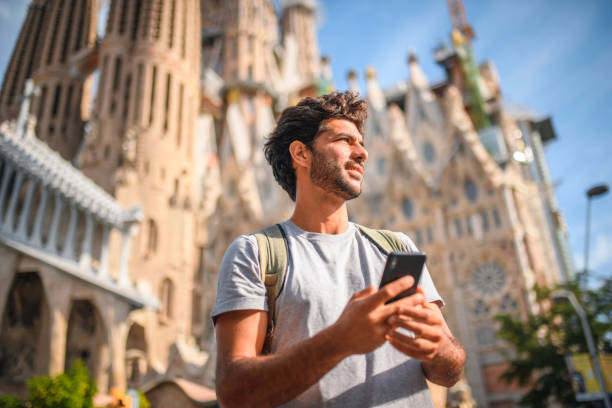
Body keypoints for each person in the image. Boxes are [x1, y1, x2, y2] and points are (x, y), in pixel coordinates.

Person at [212, 91, 466, 407]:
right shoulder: (256, 254)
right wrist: (341, 340)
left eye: (361, 142)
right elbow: (234, 391)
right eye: (345, 141)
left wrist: (439, 347)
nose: (362, 153)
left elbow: (449, 371)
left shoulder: (396, 248)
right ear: (301, 154)